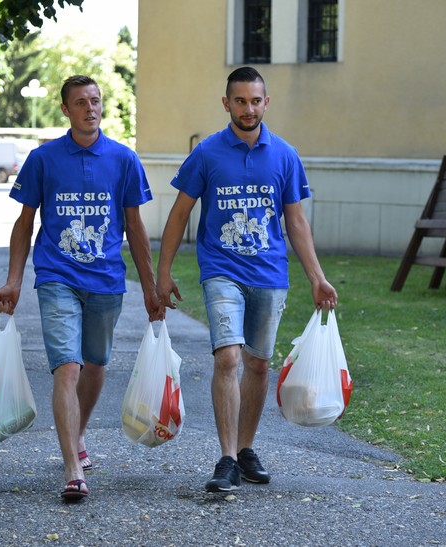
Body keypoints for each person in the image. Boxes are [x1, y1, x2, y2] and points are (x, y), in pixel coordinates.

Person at [156, 66, 338, 493]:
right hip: (221, 271)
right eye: (240, 101)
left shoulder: (285, 155)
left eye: (256, 101)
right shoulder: (207, 153)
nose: (248, 108)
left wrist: (317, 277)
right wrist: (163, 273)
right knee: (228, 359)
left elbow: (296, 222)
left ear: (266, 103)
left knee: (257, 363)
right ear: (227, 104)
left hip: (270, 274)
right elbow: (179, 214)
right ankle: (225, 459)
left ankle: (244, 450)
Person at [0, 75, 163, 502]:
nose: (91, 108)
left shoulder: (123, 159)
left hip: (106, 281)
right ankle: (72, 469)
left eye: (96, 100)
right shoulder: (43, 159)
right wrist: (15, 279)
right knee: (68, 367)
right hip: (57, 276)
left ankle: (79, 433)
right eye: (81, 102)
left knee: (95, 364)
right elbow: (24, 224)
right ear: (66, 109)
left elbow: (135, 228)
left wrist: (150, 288)